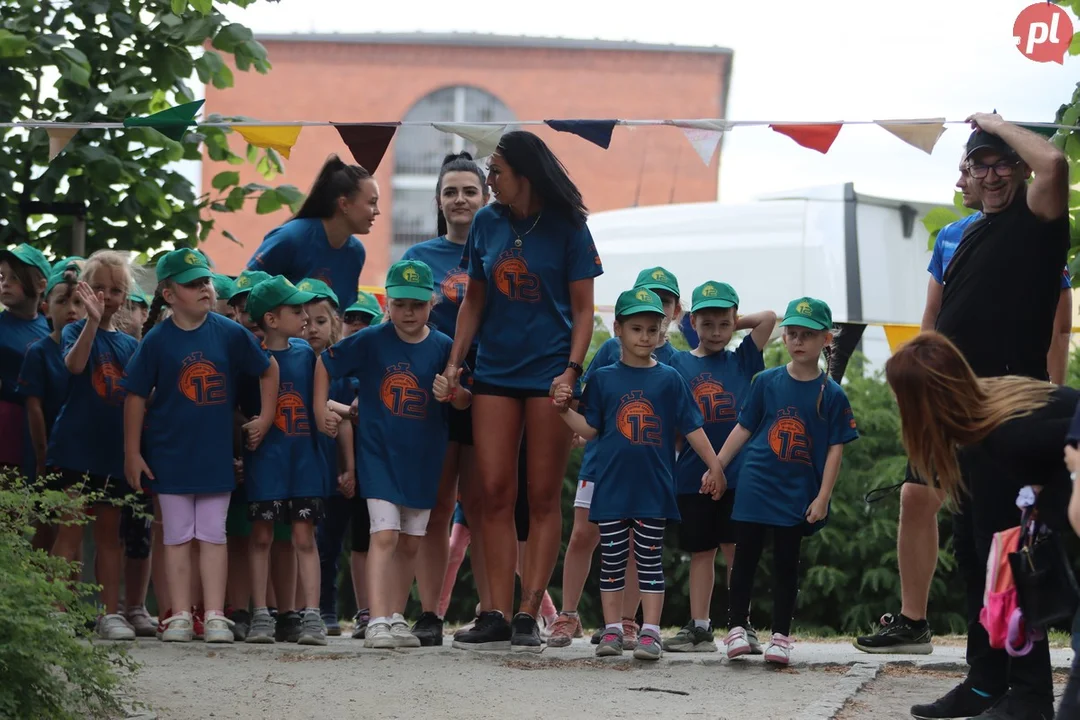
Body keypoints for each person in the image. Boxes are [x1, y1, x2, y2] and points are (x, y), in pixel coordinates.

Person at [858, 146, 1073, 657]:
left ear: (1019, 171)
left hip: (1007, 396)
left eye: (996, 165)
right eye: (974, 167)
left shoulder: (1031, 232)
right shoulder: (953, 236)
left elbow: (1059, 323)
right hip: (946, 395)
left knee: (997, 525)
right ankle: (915, 622)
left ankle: (1016, 648)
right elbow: (931, 314)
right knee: (920, 498)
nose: (977, 177)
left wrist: (1050, 392)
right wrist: (918, 382)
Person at [444, 131, 603, 652]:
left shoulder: (569, 227)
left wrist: (572, 371)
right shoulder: (488, 223)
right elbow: (473, 301)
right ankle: (492, 611)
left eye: (497, 172)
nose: (490, 181)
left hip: (548, 375)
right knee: (489, 492)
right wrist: (454, 362)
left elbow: (584, 310)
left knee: (539, 495)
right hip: (493, 371)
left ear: (524, 175)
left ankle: (528, 612)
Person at [889, 332, 1073, 720]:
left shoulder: (1008, 434)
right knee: (988, 556)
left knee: (1011, 563)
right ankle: (993, 684)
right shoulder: (984, 411)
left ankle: (1028, 697)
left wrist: (1053, 506)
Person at [552, 287, 723, 661]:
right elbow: (591, 427)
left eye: (652, 329)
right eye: (636, 329)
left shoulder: (670, 379)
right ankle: (612, 629)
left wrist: (715, 465)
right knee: (611, 560)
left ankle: (650, 631)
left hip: (654, 488)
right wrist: (564, 411)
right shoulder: (604, 379)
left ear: (663, 332)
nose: (645, 337)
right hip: (611, 488)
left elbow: (693, 427)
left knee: (648, 561)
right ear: (618, 329)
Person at [122, 249, 277, 643]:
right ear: (169, 294)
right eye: (193, 284)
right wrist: (132, 452)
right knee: (175, 536)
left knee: (212, 534)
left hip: (214, 456)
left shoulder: (229, 332)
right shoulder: (156, 340)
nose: (205, 289)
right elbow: (135, 396)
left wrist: (266, 416)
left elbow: (268, 367)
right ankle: (177, 615)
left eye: (206, 280)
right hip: (169, 456)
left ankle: (212, 615)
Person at [316, 260, 471, 649]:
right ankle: (377, 619)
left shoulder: (444, 347)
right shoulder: (370, 340)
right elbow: (324, 362)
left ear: (432, 304)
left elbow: (467, 397)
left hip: (422, 461)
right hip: (378, 456)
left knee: (411, 543)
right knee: (383, 536)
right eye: (400, 304)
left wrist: (451, 394)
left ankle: (397, 617)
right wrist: (321, 408)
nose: (407, 313)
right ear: (388, 303)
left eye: (417, 305)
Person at [716, 297, 859, 666]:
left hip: (796, 492)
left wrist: (823, 496)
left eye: (808, 335)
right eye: (792, 333)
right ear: (783, 338)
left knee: (785, 563)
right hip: (755, 484)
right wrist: (716, 466)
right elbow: (744, 428)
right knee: (744, 557)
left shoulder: (833, 394)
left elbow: (834, 450)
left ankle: (780, 636)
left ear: (827, 339)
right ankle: (735, 628)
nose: (798, 341)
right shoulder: (765, 381)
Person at [547, 266, 682, 650]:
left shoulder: (673, 361)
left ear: (675, 311)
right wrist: (575, 419)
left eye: (665, 300)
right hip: (603, 462)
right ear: (621, 324)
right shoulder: (612, 348)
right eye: (646, 295)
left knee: (640, 546)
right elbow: (590, 400)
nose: (655, 306)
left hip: (648, 470)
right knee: (584, 534)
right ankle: (568, 615)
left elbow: (682, 421)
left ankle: (625, 621)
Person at [398, 151, 489, 646]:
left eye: (469, 191)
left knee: (481, 506)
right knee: (434, 508)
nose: (460, 199)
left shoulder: (499, 255)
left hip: (486, 395)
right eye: (451, 191)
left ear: (486, 198)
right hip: (428, 395)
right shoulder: (418, 260)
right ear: (439, 200)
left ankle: (493, 612)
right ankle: (430, 614)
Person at [663, 281, 776, 653]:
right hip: (692, 474)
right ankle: (699, 626)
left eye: (723, 324)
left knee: (736, 550)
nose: (715, 332)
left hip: (741, 474)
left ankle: (741, 623)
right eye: (706, 324)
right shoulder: (677, 362)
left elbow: (769, 319)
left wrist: (734, 322)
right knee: (701, 551)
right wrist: (707, 320)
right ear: (692, 322)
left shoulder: (742, 358)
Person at [46, 250, 141, 640]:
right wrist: (90, 321)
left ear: (125, 297)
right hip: (74, 447)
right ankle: (56, 610)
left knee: (109, 534)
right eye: (97, 288)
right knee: (68, 531)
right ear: (84, 290)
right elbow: (74, 365)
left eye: (115, 290)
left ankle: (110, 613)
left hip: (111, 453)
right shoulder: (74, 331)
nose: (106, 297)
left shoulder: (132, 346)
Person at [242, 276, 336, 646]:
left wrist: (333, 417)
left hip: (305, 464)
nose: (305, 316)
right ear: (271, 319)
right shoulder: (251, 357)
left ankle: (311, 614)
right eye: (295, 310)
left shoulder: (308, 355)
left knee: (304, 537)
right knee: (262, 536)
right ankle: (261, 615)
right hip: (265, 463)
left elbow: (319, 404)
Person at [298, 278, 357, 637]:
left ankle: (326, 609)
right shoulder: (291, 363)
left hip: (330, 470)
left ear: (335, 321)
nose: (312, 329)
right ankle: (299, 609)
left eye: (320, 321)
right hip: (299, 468)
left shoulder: (342, 367)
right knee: (303, 542)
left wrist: (348, 468)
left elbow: (349, 419)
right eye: (304, 322)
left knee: (330, 544)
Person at [245, 155, 378, 312]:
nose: (377, 211)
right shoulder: (290, 238)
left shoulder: (356, 253)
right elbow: (246, 291)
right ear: (344, 204)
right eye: (372, 202)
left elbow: (340, 316)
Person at [0, 243, 51, 480]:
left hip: (44, 431)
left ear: (42, 285)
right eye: (2, 276)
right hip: (7, 429)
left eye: (15, 277)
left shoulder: (53, 330)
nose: (5, 283)